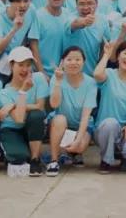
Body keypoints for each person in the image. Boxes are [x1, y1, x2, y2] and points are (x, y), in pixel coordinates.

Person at [0, 45, 49, 176]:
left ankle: (35, 159)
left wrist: (13, 105)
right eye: (20, 65)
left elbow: (40, 107)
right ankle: (16, 152)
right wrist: (23, 91)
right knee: (19, 157)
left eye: (28, 65)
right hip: (12, 128)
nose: (25, 69)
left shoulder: (39, 78)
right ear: (12, 66)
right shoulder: (4, 92)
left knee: (36, 115)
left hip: (31, 126)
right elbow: (18, 119)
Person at [93, 39, 126, 173]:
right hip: (105, 128)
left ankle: (125, 157)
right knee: (111, 124)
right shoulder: (109, 74)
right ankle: (106, 160)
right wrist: (106, 54)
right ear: (118, 56)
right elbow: (97, 74)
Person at [47, 46, 97, 174]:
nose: (73, 63)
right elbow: (54, 104)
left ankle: (71, 152)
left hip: (81, 124)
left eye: (77, 59)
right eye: (69, 59)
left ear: (83, 62)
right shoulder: (56, 78)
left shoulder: (90, 82)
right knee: (59, 119)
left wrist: (78, 140)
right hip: (61, 124)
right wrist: (58, 82)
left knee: (79, 146)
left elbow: (85, 116)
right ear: (62, 62)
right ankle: (54, 160)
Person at [0, 0, 43, 79]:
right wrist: (14, 29)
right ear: (10, 1)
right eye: (18, 1)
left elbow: (33, 42)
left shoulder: (31, 10)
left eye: (26, 1)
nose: (22, 5)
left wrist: (41, 72)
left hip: (18, 61)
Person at [65, 0, 112, 75]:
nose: (86, 7)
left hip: (93, 73)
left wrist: (100, 64)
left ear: (97, 3)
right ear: (76, 4)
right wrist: (84, 22)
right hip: (71, 73)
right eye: (81, 4)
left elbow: (105, 44)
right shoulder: (69, 18)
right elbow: (75, 23)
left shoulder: (103, 20)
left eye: (90, 3)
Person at [35, 0, 73, 75]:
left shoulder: (69, 14)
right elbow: (33, 45)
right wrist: (41, 72)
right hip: (44, 72)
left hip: (65, 73)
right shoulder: (38, 16)